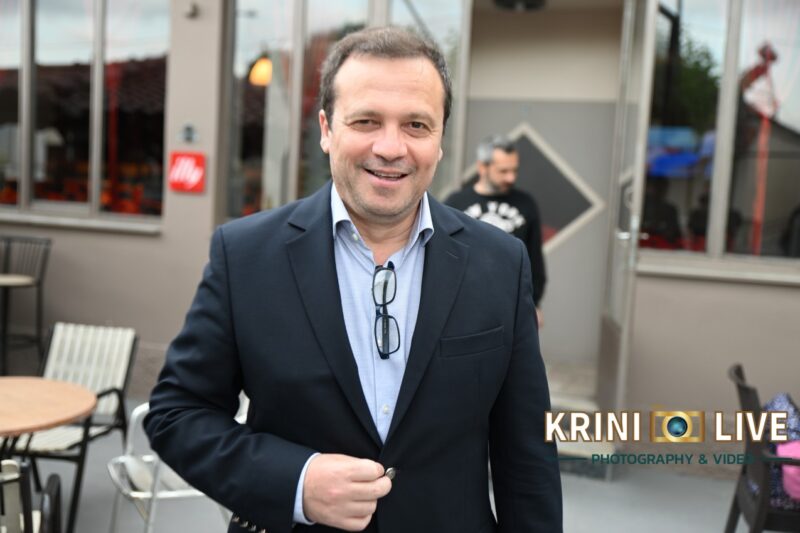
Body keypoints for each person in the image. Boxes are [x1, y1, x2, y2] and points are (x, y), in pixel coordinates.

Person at [145, 27, 561, 533]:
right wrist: (296, 482)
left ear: (440, 140)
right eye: (366, 121)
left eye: (416, 125)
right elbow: (178, 413)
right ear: (326, 128)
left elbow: (529, 455)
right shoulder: (246, 256)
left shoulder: (501, 263)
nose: (390, 147)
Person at [444, 136, 547, 326]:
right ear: (482, 167)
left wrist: (535, 302)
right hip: (464, 306)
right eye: (503, 171)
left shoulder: (526, 203)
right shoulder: (456, 203)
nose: (511, 177)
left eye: (514, 170)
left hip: (512, 305)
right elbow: (444, 257)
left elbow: (534, 259)